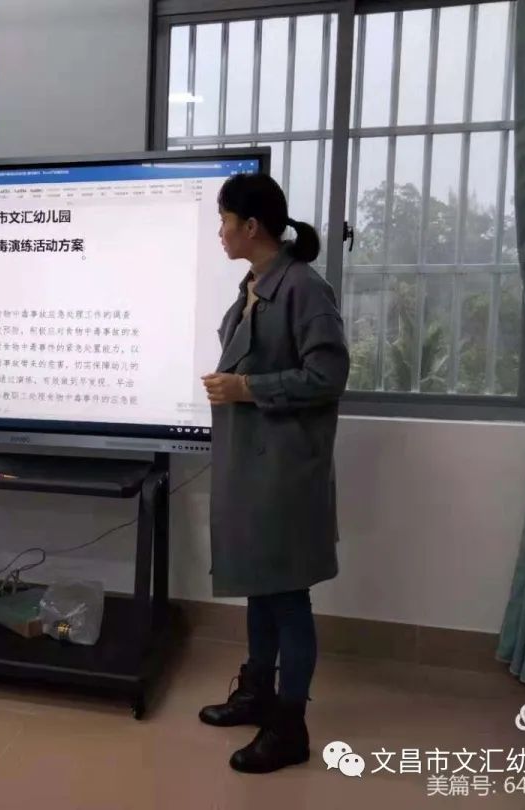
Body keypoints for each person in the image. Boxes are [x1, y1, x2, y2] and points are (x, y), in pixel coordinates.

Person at [199, 172, 349, 774]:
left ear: (251, 226)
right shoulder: (255, 285)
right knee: (260, 587)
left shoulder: (305, 288)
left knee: (287, 595)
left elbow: (328, 377)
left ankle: (290, 726)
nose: (220, 232)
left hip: (285, 471)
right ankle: (258, 692)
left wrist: (246, 387)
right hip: (250, 465)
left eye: (224, 221)